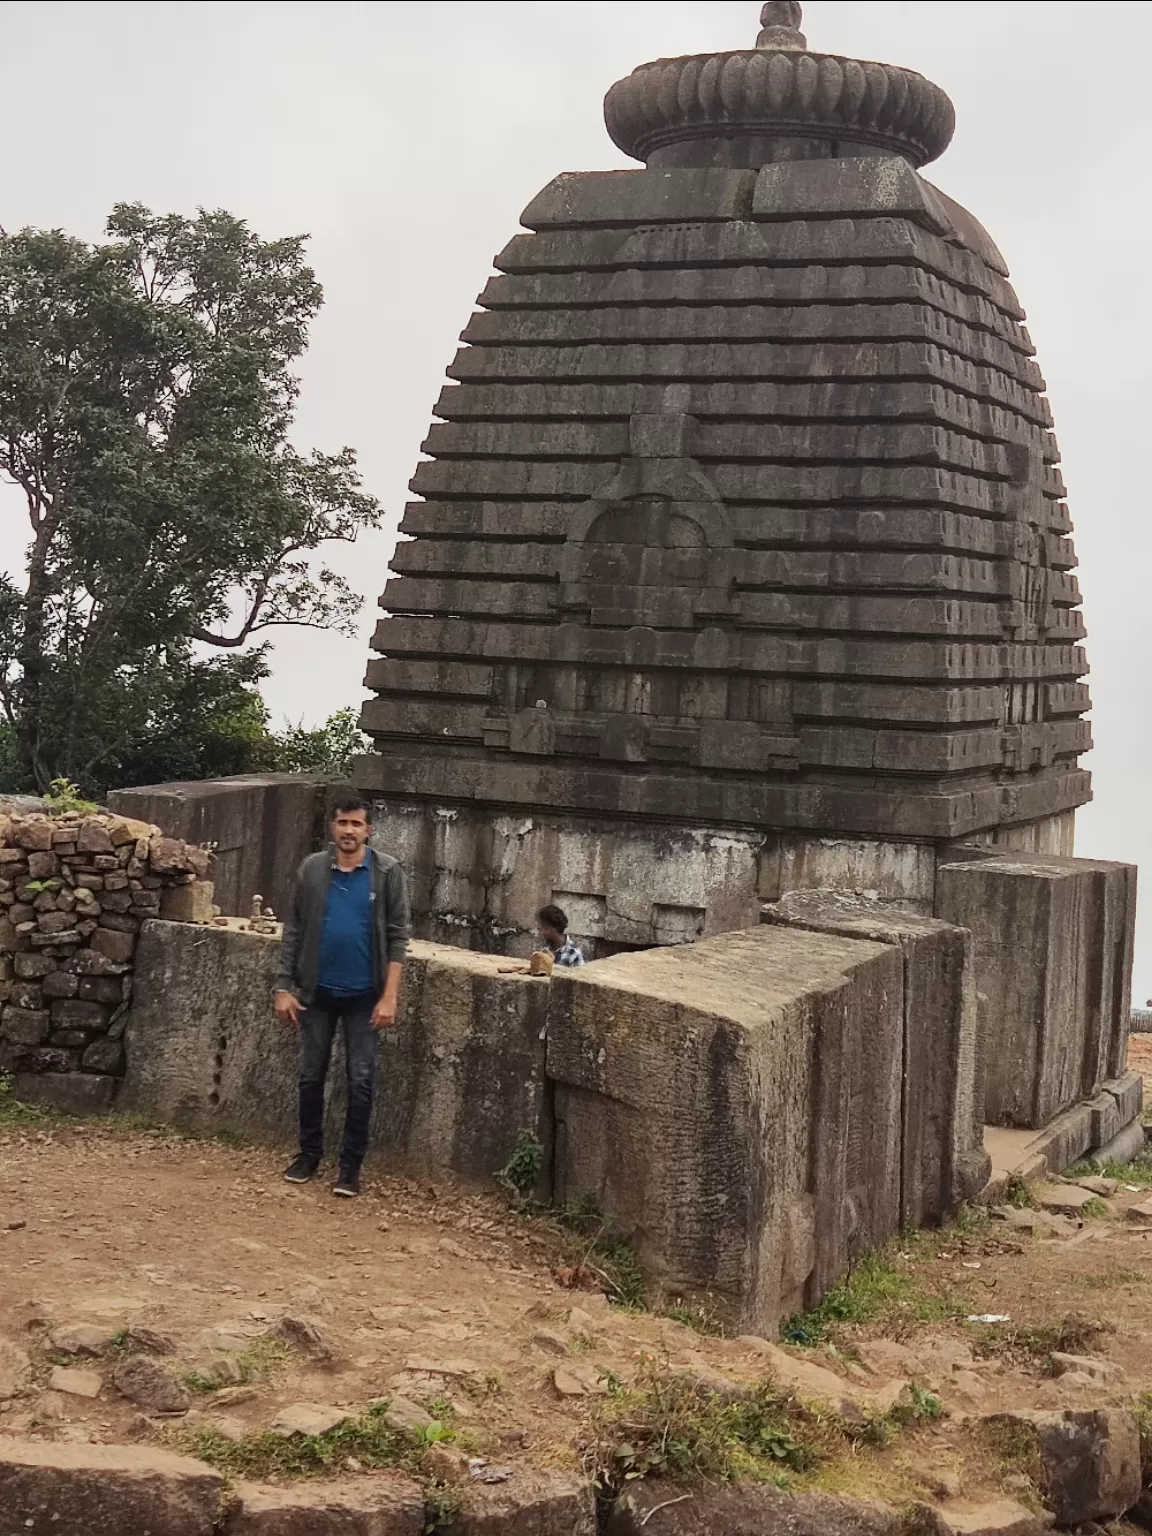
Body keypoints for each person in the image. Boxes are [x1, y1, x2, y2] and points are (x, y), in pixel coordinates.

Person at [274, 795, 410, 1197]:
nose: (348, 831)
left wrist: (390, 997)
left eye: (356, 824)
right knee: (310, 1076)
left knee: (361, 1080)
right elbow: (293, 930)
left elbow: (399, 937)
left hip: (364, 996)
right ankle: (308, 1154)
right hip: (316, 992)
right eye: (342, 823)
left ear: (368, 830)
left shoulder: (386, 872)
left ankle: (350, 1167)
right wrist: (283, 986)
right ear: (332, 828)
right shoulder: (313, 869)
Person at [536, 904, 585, 968]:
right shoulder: (545, 948)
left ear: (551, 929)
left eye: (542, 929)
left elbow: (578, 977)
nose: (541, 933)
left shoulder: (574, 954)